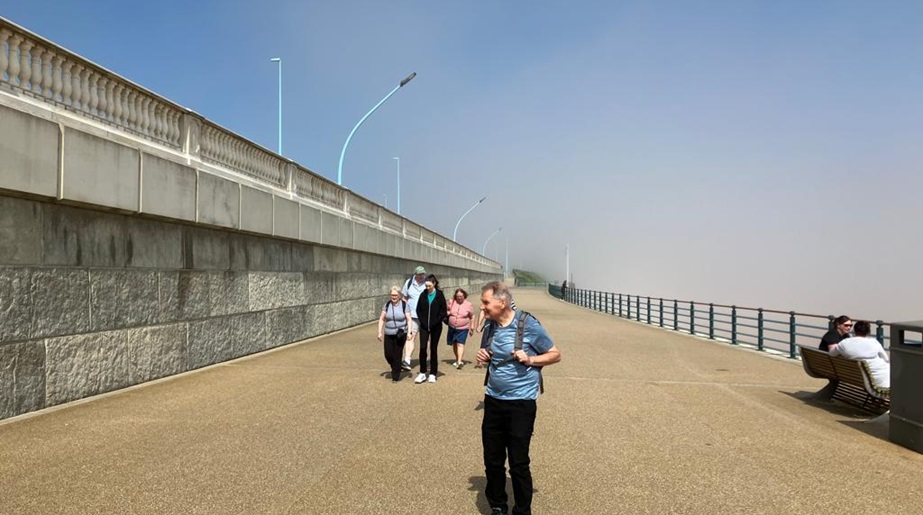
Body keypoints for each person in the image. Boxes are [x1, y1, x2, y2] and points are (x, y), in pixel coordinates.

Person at [476, 281, 561, 515]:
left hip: (521, 403)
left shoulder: (528, 324)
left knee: (518, 462)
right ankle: (498, 505)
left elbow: (555, 354)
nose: (482, 308)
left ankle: (522, 510)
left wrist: (530, 359)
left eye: (485, 302)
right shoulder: (491, 327)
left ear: (502, 302)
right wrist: (483, 356)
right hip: (493, 399)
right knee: (492, 459)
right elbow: (487, 356)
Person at [830, 320, 890, 388]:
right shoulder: (874, 342)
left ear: (854, 331)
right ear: (868, 332)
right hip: (880, 381)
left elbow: (832, 354)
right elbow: (886, 359)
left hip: (858, 378)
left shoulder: (844, 343)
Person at [414, 274, 447, 384]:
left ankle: (433, 373)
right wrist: (423, 321)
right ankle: (422, 372)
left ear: (434, 284)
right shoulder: (423, 295)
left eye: (429, 286)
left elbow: (443, 311)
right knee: (423, 348)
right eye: (426, 286)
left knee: (433, 348)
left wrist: (436, 321)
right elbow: (418, 309)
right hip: (424, 326)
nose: (427, 288)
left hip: (436, 326)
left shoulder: (439, 295)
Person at [377, 286, 413, 382]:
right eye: (392, 295)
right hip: (389, 332)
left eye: (396, 295)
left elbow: (409, 319)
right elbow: (381, 318)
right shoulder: (387, 305)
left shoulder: (404, 305)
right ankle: (397, 366)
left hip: (401, 333)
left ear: (399, 295)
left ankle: (395, 376)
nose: (394, 297)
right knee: (388, 354)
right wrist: (379, 332)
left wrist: (409, 332)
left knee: (397, 354)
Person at [814, 315, 853, 398]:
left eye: (850, 326)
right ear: (838, 325)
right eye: (846, 325)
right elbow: (832, 352)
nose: (849, 328)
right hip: (828, 365)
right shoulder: (832, 334)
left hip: (832, 364)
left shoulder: (846, 336)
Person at [401, 265, 427, 371]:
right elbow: (404, 297)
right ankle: (407, 360)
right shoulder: (409, 283)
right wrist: (405, 310)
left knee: (427, 340)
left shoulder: (427, 284)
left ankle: (425, 360)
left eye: (423, 274)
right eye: (419, 274)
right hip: (413, 316)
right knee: (410, 336)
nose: (421, 276)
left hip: (425, 317)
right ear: (415, 274)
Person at [447, 288, 476, 368]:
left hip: (463, 328)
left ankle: (459, 361)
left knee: (460, 344)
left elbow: (472, 316)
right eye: (458, 296)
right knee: (454, 344)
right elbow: (447, 311)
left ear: (464, 296)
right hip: (452, 327)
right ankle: (457, 359)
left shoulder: (468, 305)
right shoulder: (451, 302)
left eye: (461, 296)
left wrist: (472, 326)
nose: (459, 298)